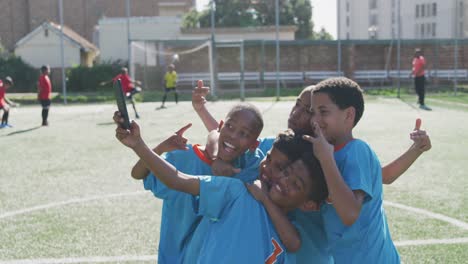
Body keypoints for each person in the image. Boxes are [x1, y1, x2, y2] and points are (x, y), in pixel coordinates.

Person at [192, 82, 431, 263]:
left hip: (321, 252)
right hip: (290, 250)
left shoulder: (331, 153)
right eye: (300, 104)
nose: (301, 113)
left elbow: (378, 179)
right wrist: (214, 154)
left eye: (314, 110)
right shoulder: (283, 146)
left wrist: (415, 151)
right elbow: (232, 136)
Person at [114, 121, 328, 263]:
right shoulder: (238, 191)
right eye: (284, 171)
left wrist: (265, 198)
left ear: (308, 204)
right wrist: (139, 145)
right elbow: (177, 179)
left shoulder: (289, 229)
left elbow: (293, 242)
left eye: (294, 181)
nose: (281, 178)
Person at [118, 102, 265, 263]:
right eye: (230, 126)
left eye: (244, 134)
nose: (233, 136)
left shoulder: (250, 170)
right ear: (220, 126)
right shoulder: (183, 157)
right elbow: (138, 174)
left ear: (253, 144)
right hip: (175, 256)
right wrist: (159, 148)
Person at [303, 77, 400, 263]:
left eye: (323, 112)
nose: (315, 120)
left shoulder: (356, 151)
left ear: (348, 115)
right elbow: (384, 176)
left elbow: (349, 214)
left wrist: (325, 159)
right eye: (312, 112)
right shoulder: (327, 153)